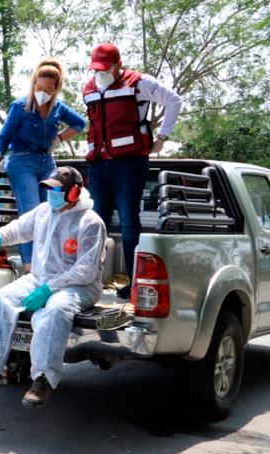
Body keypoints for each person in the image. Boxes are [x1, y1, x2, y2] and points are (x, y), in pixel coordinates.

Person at [0, 167, 107, 408]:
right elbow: (18, 229)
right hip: (40, 278)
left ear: (74, 192)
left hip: (79, 285)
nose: (51, 194)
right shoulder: (44, 211)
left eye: (56, 190)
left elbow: (85, 270)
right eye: (49, 189)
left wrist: (49, 289)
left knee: (54, 311)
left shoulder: (90, 222)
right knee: (1, 299)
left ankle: (43, 380)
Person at [82, 43, 182, 299]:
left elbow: (174, 100)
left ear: (118, 65)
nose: (101, 73)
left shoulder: (138, 83)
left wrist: (162, 137)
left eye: (106, 68)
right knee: (95, 223)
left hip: (129, 163)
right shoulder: (90, 88)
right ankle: (88, 280)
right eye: (97, 68)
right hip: (98, 164)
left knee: (128, 222)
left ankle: (135, 282)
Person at [0, 59, 87, 270]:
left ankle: (50, 262)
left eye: (48, 90)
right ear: (33, 84)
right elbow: (4, 137)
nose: (42, 93)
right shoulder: (19, 106)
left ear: (56, 89)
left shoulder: (58, 108)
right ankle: (29, 266)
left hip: (47, 161)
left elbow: (79, 123)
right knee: (31, 211)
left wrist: (59, 138)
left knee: (55, 208)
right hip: (21, 161)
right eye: (39, 88)